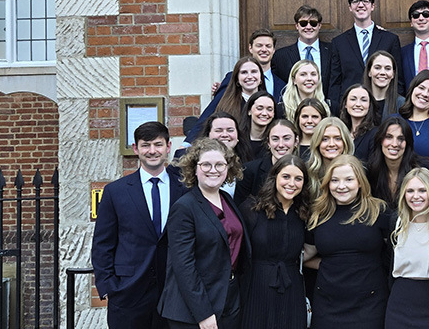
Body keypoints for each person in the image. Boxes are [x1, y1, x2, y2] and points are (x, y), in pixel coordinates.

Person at [92, 122, 188, 329]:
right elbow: (102, 244)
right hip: (128, 294)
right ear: (136, 148)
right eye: (146, 145)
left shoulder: (184, 187)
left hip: (174, 293)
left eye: (158, 144)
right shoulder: (115, 191)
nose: (152, 151)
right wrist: (109, 287)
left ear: (168, 147)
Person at [157, 138, 249, 329]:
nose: (213, 170)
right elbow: (184, 266)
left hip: (228, 299)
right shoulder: (184, 207)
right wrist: (203, 314)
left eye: (219, 164)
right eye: (206, 164)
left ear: (228, 168)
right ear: (194, 168)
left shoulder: (227, 200)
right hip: (193, 309)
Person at [304, 154, 391, 329]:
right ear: (328, 183)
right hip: (327, 304)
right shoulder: (318, 215)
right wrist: (332, 266)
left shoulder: (378, 211)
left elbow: (393, 253)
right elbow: (304, 256)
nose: (341, 186)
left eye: (349, 179)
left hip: (370, 302)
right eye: (335, 180)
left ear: (360, 182)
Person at [239, 155, 310, 329]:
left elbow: (309, 249)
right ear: (274, 177)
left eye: (298, 178)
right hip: (256, 285)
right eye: (286, 177)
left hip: (292, 287)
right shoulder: (252, 208)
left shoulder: (303, 213)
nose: (291, 183)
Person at [386, 168, 429, 329]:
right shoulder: (396, 222)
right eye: (410, 191)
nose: (416, 196)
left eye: (422, 190)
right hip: (399, 303)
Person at [329, 0, 403, 115]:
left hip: (383, 107)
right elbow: (335, 81)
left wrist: (396, 109)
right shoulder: (338, 42)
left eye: (365, 1)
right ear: (350, 7)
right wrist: (336, 110)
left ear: (372, 6)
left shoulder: (390, 39)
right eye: (355, 1)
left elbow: (398, 78)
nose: (360, 5)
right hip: (350, 109)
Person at [367, 117, 429, 206]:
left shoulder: (424, 167)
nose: (394, 144)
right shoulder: (371, 170)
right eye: (389, 137)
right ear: (380, 140)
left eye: (401, 138)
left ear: (407, 143)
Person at [234, 119, 300, 206]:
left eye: (286, 138)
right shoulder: (250, 171)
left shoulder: (303, 171)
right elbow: (239, 208)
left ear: (296, 141)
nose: (280, 144)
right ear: (268, 142)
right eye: (275, 139)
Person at [273, 5, 332, 98]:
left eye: (313, 23)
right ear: (297, 26)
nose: (308, 27)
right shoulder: (281, 56)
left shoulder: (332, 51)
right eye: (303, 23)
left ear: (319, 26)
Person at [174, 111, 253, 165]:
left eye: (230, 130)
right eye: (218, 130)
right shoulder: (192, 163)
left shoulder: (249, 163)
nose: (225, 134)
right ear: (208, 135)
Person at [306, 117, 355, 193]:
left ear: (346, 142)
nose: (331, 144)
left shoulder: (356, 171)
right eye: (325, 139)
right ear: (317, 142)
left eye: (337, 138)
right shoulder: (308, 173)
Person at [339, 84, 378, 162]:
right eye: (353, 99)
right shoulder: (339, 131)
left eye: (363, 100)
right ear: (345, 104)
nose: (358, 104)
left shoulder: (375, 134)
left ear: (369, 105)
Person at [363, 51, 405, 119]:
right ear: (369, 72)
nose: (382, 72)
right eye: (377, 68)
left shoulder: (401, 104)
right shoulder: (359, 102)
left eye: (387, 69)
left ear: (393, 74)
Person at [240, 91, 276, 158]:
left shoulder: (275, 142)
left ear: (273, 114)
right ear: (249, 111)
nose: (264, 113)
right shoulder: (238, 139)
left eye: (269, 109)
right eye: (259, 108)